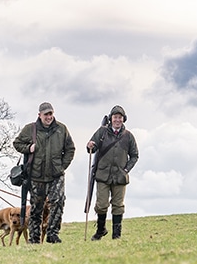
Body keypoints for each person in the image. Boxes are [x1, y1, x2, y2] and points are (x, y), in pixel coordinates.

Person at [13, 102, 76, 244]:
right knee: (36, 208)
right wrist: (29, 148)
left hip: (56, 175)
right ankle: (34, 238)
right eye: (46, 114)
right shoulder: (30, 129)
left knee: (58, 202)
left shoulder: (62, 129)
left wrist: (61, 167)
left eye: (51, 114)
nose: (49, 117)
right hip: (36, 176)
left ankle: (53, 234)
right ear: (39, 115)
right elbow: (17, 144)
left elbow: (70, 149)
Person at [87, 105, 139, 240]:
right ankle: (100, 230)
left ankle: (117, 235)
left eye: (120, 117)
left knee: (118, 206)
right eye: (115, 117)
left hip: (120, 177)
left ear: (123, 119)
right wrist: (90, 145)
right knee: (101, 205)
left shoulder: (129, 136)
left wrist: (126, 169)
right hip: (103, 175)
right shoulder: (102, 132)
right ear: (111, 118)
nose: (117, 120)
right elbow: (92, 147)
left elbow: (135, 155)